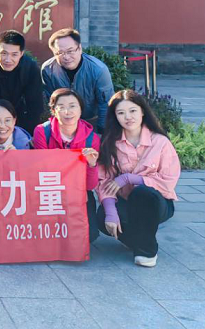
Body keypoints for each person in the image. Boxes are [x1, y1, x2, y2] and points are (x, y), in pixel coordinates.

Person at [96, 89, 180, 267]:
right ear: (115, 117)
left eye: (132, 110)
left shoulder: (160, 142)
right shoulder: (109, 143)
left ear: (142, 111)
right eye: (121, 113)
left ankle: (146, 251)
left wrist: (129, 178)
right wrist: (111, 212)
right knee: (102, 217)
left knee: (142, 193)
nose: (128, 117)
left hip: (156, 203)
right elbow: (104, 181)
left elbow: (168, 180)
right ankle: (139, 238)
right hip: (126, 203)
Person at [32, 88, 101, 242]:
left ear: (81, 109)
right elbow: (41, 170)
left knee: (89, 235)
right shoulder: (42, 132)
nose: (67, 111)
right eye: (61, 107)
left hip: (79, 191)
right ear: (53, 111)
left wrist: (91, 165)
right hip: (50, 190)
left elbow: (90, 186)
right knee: (47, 234)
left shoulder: (92, 139)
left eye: (72, 106)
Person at [41, 28, 115, 133]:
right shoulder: (48, 70)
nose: (66, 57)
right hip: (64, 121)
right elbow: (53, 102)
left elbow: (106, 104)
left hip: (92, 120)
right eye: (60, 53)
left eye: (70, 51)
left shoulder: (98, 70)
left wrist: (102, 132)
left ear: (79, 48)